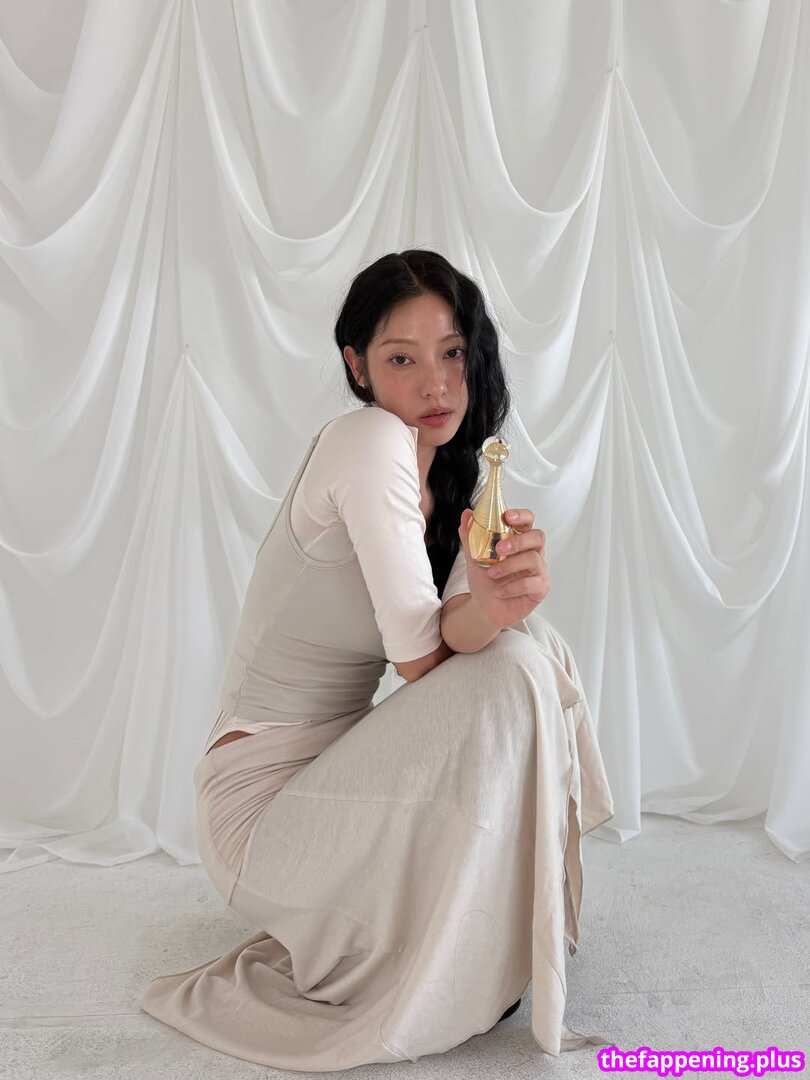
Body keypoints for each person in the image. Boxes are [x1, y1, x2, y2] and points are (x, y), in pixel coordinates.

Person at [137, 249, 614, 1070]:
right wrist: (485, 616)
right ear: (355, 366)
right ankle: (496, 932)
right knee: (513, 667)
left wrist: (499, 601)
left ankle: (501, 928)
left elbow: (460, 638)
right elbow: (426, 664)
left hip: (346, 789)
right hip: (262, 817)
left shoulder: (455, 484)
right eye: (402, 359)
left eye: (452, 353)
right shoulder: (365, 442)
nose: (436, 384)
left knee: (531, 645)